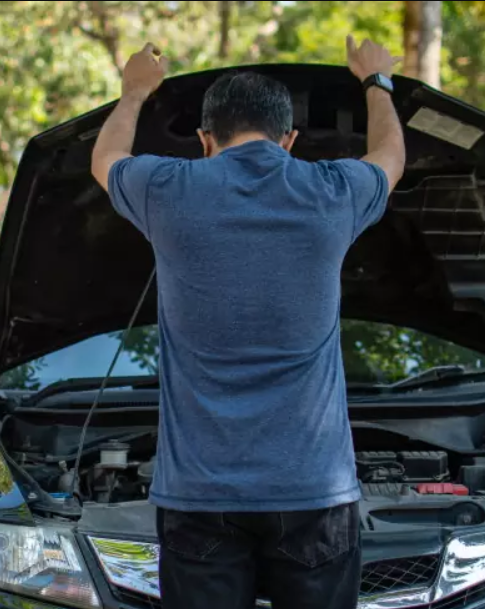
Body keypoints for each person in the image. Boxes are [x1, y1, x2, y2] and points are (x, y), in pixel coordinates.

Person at [91, 37, 405, 609]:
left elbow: (104, 160)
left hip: (199, 498)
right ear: (289, 140)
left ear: (205, 140)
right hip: (314, 493)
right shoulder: (333, 191)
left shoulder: (168, 189)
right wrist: (375, 82)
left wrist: (134, 93)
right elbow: (390, 158)